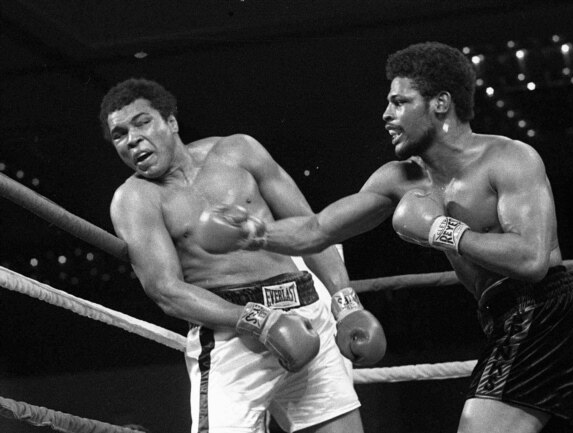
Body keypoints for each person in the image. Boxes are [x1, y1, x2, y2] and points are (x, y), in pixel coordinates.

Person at [219, 42, 573, 432]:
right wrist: (254, 233)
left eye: (399, 102)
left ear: (440, 103)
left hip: (546, 312)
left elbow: (531, 260)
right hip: (507, 318)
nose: (386, 114)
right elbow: (317, 229)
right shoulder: (399, 178)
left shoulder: (508, 159)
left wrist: (439, 229)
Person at [100, 78, 386, 433]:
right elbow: (165, 290)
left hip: (306, 311)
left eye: (142, 122)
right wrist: (257, 321)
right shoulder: (135, 200)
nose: (132, 139)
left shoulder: (239, 151)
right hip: (232, 336)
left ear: (171, 122)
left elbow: (312, 230)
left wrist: (346, 304)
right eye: (119, 134)